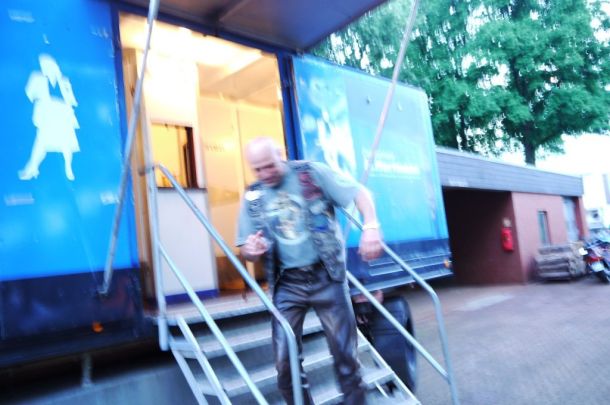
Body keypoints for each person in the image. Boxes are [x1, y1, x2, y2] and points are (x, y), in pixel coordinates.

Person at [236, 137, 383, 404]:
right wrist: (251, 250)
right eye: (257, 169)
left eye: (269, 165)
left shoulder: (311, 173)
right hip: (287, 284)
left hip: (327, 277)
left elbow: (359, 192)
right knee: (285, 365)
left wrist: (371, 226)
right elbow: (245, 248)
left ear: (281, 154)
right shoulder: (253, 196)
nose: (264, 174)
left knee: (346, 359)